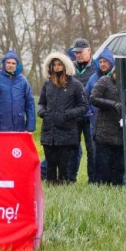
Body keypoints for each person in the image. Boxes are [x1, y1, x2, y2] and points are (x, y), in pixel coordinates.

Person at [37, 52, 88, 183]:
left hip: (67, 131)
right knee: (50, 164)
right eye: (54, 65)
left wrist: (68, 115)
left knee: (64, 165)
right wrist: (42, 113)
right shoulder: (47, 85)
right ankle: (51, 184)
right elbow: (41, 103)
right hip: (49, 131)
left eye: (59, 64)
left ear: (65, 66)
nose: (57, 67)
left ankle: (65, 187)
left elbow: (83, 106)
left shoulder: (76, 85)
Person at [88, 52, 126, 187]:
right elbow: (93, 98)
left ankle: (117, 188)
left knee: (119, 167)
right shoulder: (104, 81)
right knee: (103, 167)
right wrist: (113, 104)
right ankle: (102, 189)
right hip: (104, 132)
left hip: (120, 132)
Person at [0, 50, 35, 133]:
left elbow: (30, 102)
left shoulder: (23, 81)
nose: (11, 65)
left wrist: (30, 126)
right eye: (8, 62)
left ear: (17, 65)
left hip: (19, 126)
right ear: (4, 63)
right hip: (0, 126)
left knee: (17, 146)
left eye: (13, 63)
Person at [68, 39, 95, 183]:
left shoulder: (97, 67)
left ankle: (93, 179)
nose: (78, 55)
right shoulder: (70, 68)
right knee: (72, 148)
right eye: (76, 52)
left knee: (92, 150)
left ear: (89, 50)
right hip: (74, 116)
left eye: (80, 52)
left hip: (90, 116)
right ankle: (71, 178)